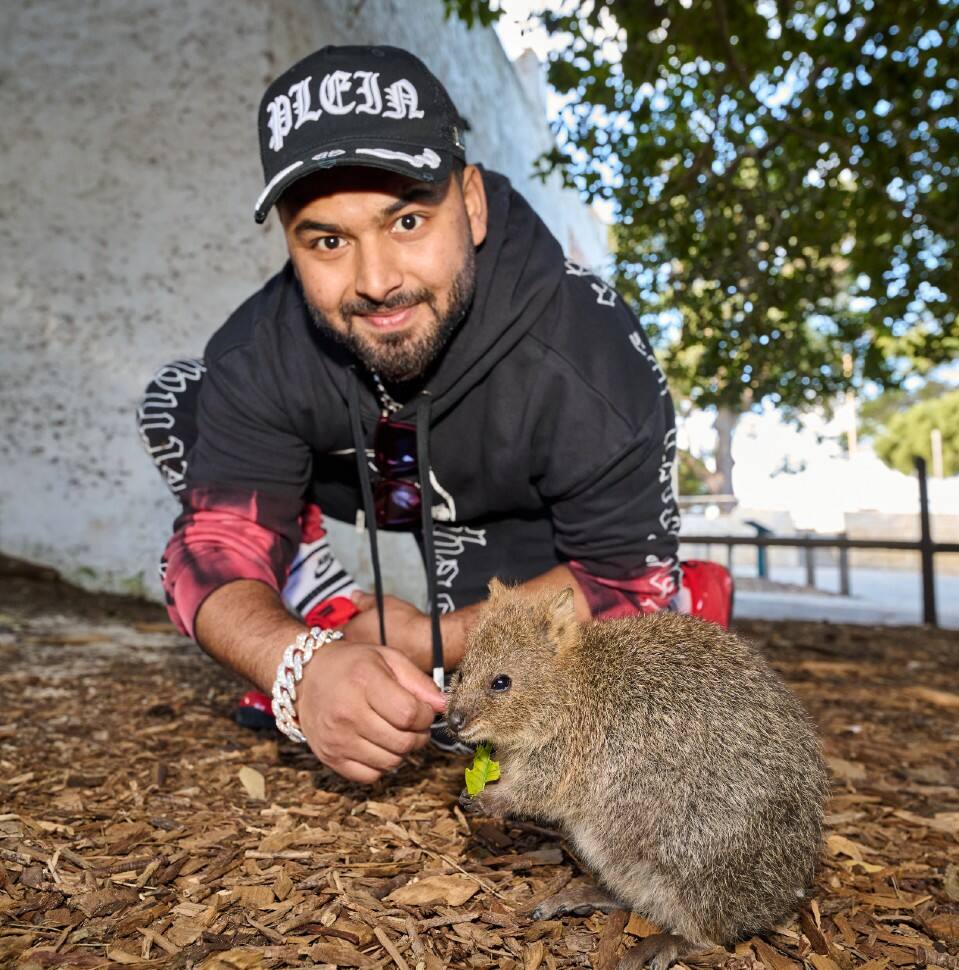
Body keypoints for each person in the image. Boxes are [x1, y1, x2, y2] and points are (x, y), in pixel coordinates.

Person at [137, 44, 685, 785]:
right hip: (378, 476)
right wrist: (297, 667)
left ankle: (697, 593)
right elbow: (215, 543)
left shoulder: (589, 358)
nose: (376, 281)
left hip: (510, 515)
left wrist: (425, 637)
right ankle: (326, 612)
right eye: (328, 240)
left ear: (472, 203)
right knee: (181, 400)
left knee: (529, 695)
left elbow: (621, 583)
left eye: (406, 223)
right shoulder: (261, 348)